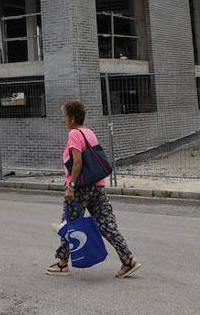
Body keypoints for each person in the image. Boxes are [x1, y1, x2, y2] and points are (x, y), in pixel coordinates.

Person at [46, 99, 140, 278]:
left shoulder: (74, 134)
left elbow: (78, 161)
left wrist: (71, 186)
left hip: (80, 188)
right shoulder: (89, 132)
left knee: (69, 225)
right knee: (107, 225)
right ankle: (128, 260)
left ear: (72, 118)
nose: (64, 119)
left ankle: (62, 264)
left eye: (65, 116)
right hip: (97, 186)